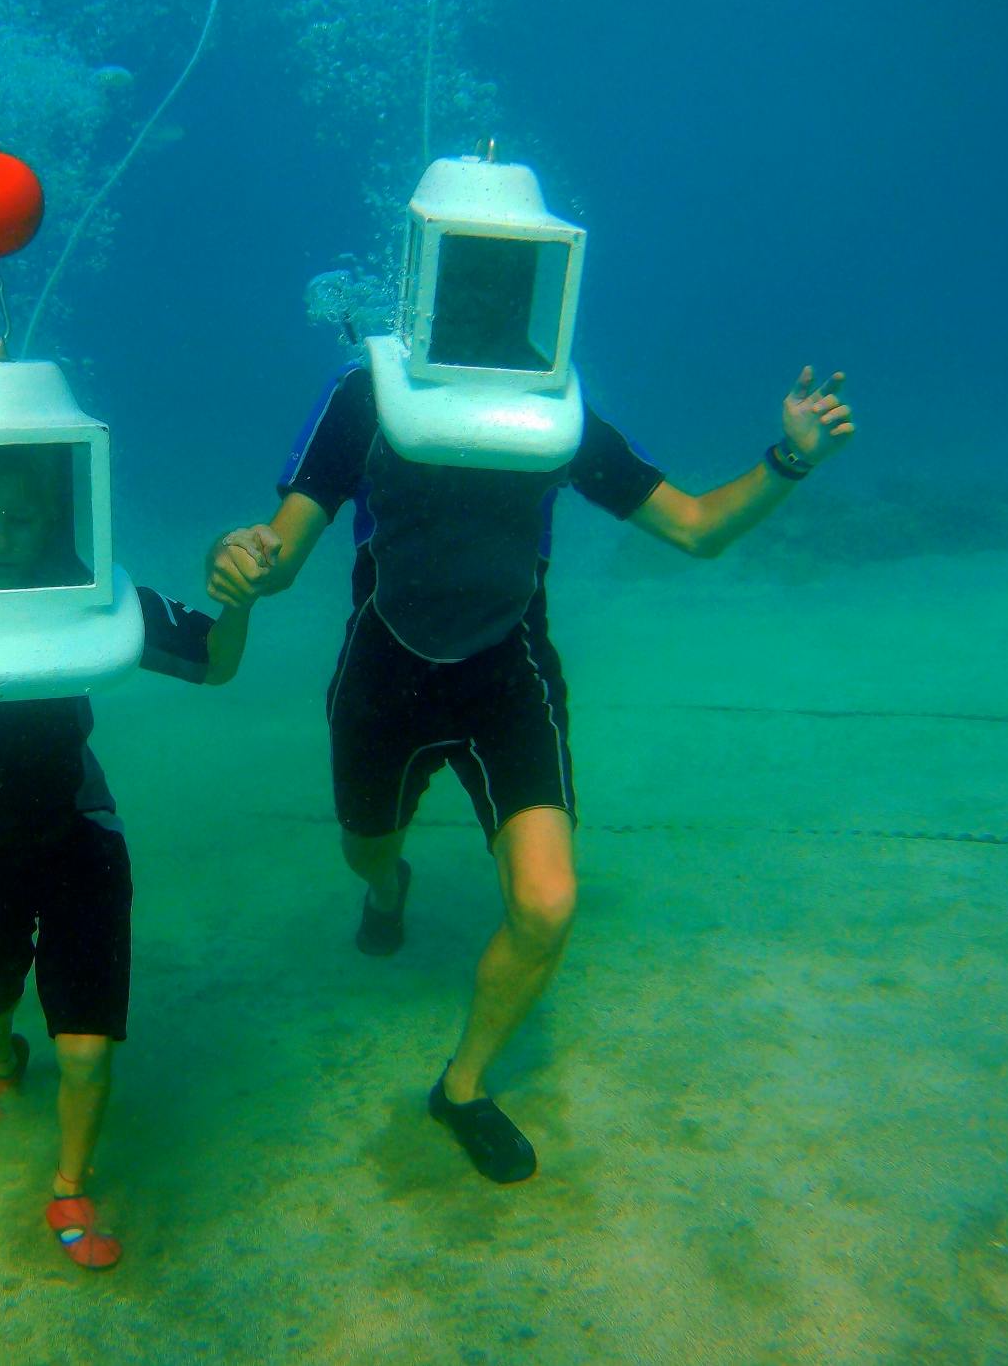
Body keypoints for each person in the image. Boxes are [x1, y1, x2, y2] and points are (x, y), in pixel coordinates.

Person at [207, 354, 854, 1184]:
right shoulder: (370, 392)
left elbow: (696, 528)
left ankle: (462, 1088)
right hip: (384, 676)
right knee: (367, 851)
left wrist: (792, 456)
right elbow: (281, 553)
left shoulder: (554, 410)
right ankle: (388, 887)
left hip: (507, 676)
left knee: (547, 904)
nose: (488, 301)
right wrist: (236, 555)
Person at [0, 444, 253, 1268]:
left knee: (88, 1048)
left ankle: (69, 1187)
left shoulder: (94, 598)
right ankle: (3, 1055)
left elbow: (213, 662)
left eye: (21, 516)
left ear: (52, 519)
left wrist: (238, 597)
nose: (1, 534)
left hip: (83, 836)